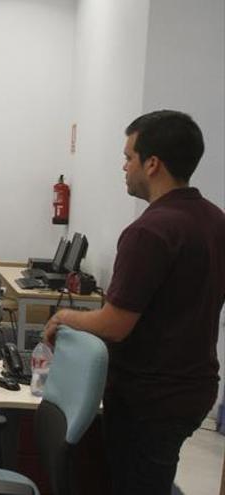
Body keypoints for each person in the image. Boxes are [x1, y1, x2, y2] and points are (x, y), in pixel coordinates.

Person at [43, 110, 224, 495]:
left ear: (152, 163)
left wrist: (64, 315)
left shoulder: (149, 230)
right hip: (196, 386)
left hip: (150, 397)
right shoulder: (215, 220)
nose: (124, 167)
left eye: (129, 157)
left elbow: (115, 324)